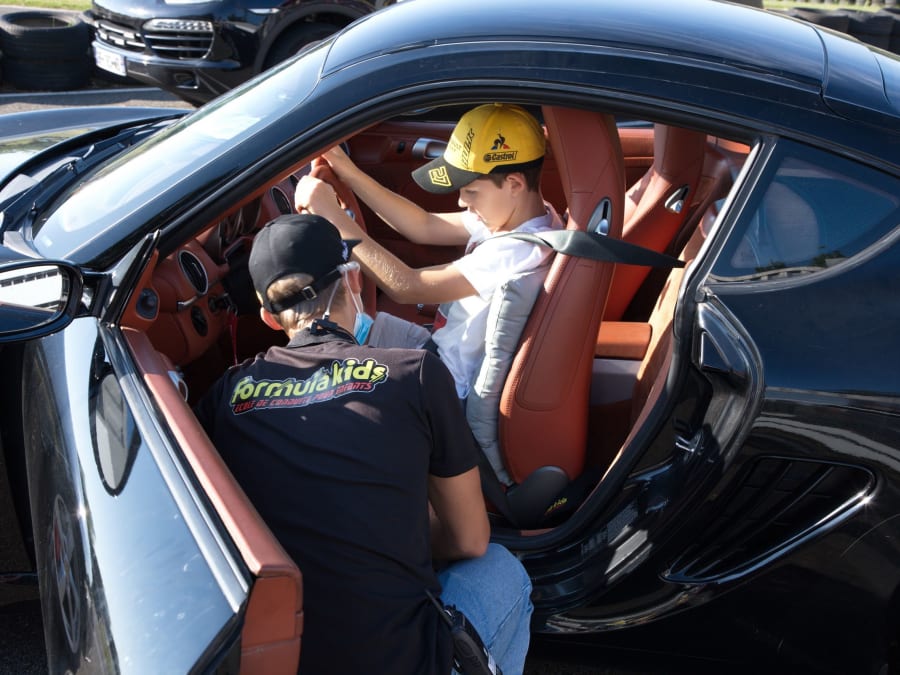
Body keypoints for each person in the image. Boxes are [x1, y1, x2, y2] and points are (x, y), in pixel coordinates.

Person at [194, 213, 533, 675]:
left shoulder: (225, 395)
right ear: (352, 279)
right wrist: (394, 529)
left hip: (275, 657)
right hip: (403, 661)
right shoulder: (415, 372)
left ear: (269, 317)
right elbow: (469, 539)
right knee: (501, 570)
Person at [294, 103, 564, 399]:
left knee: (329, 370)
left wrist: (332, 216)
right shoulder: (525, 216)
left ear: (514, 184)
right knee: (355, 329)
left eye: (471, 191)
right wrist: (348, 172)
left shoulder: (516, 251)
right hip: (436, 347)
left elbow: (408, 287)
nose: (461, 201)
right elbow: (424, 225)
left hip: (442, 386)